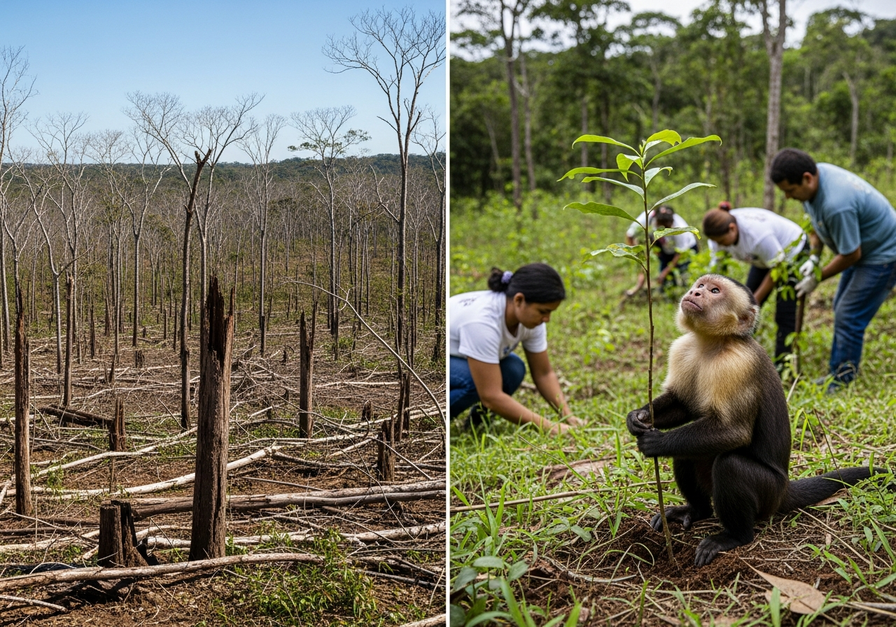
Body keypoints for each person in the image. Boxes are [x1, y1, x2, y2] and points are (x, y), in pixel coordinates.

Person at [771, 148, 896, 390]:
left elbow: (851, 254)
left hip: (884, 254)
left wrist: (817, 278)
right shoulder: (815, 186)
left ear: (807, 178)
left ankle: (842, 379)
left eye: (790, 190)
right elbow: (815, 226)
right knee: (841, 306)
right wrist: (814, 258)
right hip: (864, 249)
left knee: (849, 313)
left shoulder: (836, 204)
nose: (787, 197)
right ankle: (838, 370)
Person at [449, 263, 582, 434]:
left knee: (514, 369)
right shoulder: (482, 322)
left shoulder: (533, 320)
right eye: (543, 311)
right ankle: (438, 421)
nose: (547, 319)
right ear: (519, 300)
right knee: (473, 382)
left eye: (550, 312)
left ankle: (477, 425)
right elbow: (491, 395)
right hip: (445, 356)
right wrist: (549, 427)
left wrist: (568, 417)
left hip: (464, 357)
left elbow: (544, 373)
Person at [702, 202, 807, 366]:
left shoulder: (757, 236)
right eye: (718, 242)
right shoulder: (716, 238)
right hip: (762, 259)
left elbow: (778, 269)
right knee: (744, 307)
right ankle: (737, 356)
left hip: (792, 253)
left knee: (783, 312)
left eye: (723, 241)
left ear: (732, 228)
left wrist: (755, 300)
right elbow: (717, 270)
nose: (721, 246)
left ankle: (783, 364)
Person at [625, 205, 698, 296]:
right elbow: (630, 235)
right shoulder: (647, 217)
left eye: (668, 227)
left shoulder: (680, 229)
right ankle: (670, 293)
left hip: (686, 249)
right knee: (666, 281)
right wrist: (639, 261)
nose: (666, 230)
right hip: (665, 249)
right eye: (663, 227)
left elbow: (680, 253)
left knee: (685, 275)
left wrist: (664, 273)